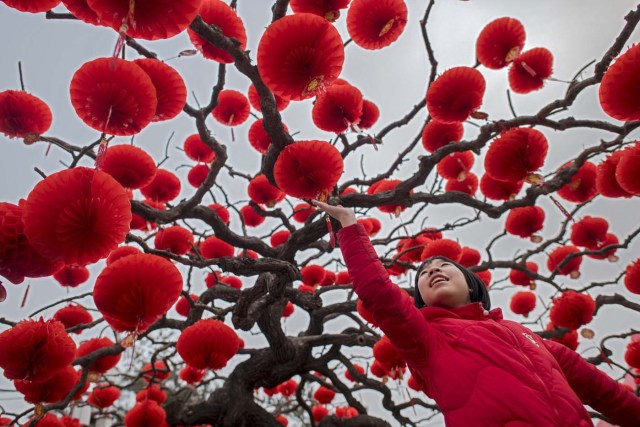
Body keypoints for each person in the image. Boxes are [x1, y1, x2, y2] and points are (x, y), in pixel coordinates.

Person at [312, 199, 640, 427]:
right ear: (420, 299)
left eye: (444, 266)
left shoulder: (529, 338)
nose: (433, 271)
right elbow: (379, 293)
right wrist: (350, 226)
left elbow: (603, 392)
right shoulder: (427, 340)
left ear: (472, 285)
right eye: (424, 274)